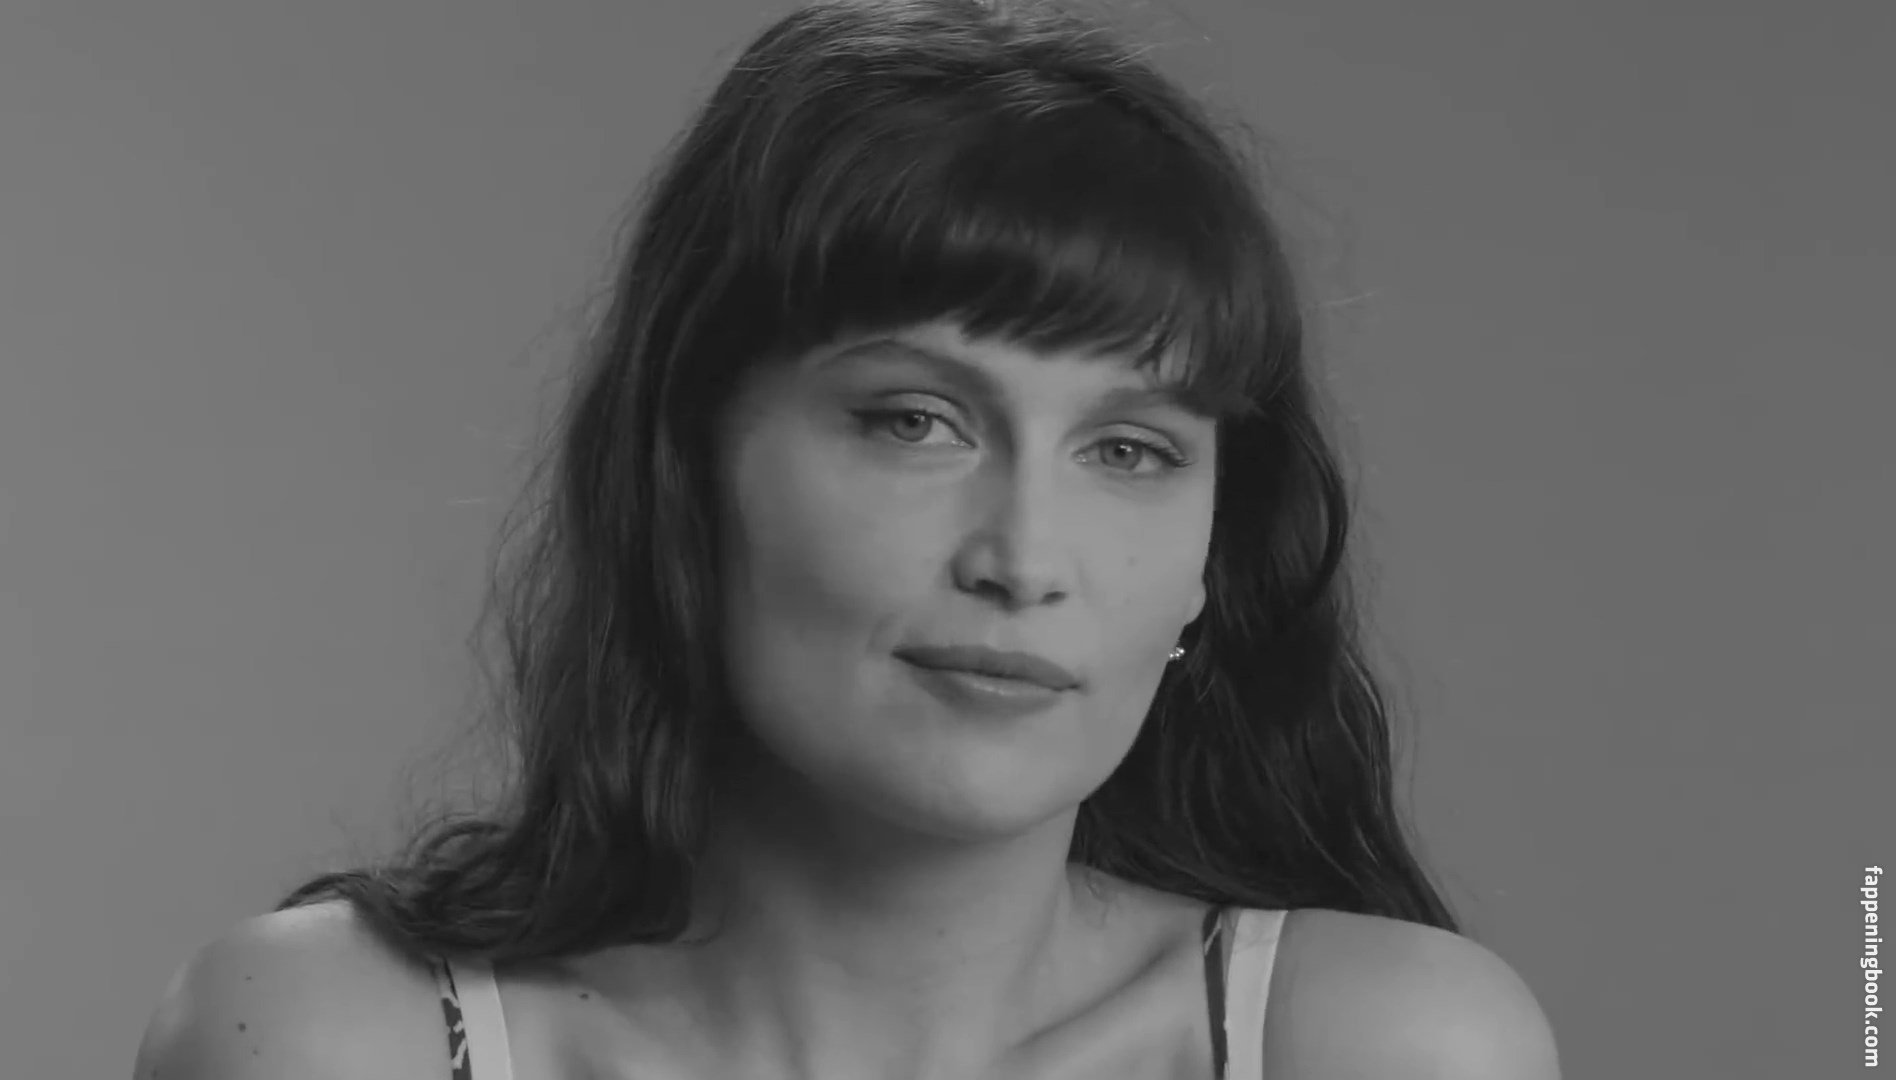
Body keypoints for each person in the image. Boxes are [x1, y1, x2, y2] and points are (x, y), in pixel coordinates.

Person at [133, 1, 1560, 1077]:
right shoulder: (330, 1042)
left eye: (1131, 451)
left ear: (1206, 567)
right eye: (913, 422)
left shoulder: (1383, 1048)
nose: (1025, 560)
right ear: (684, 471)